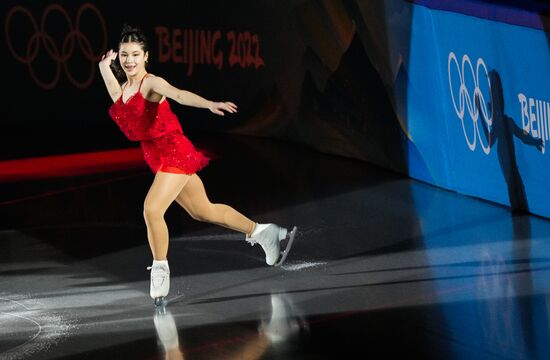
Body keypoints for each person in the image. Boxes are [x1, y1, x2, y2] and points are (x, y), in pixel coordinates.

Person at [98, 25, 296, 306]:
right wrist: (105, 68)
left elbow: (178, 94)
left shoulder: (151, 83)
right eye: (124, 55)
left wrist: (208, 104)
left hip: (174, 153)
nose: (129, 60)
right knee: (203, 211)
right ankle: (264, 232)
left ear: (146, 57)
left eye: (135, 55)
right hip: (158, 158)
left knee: (152, 209)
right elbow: (115, 94)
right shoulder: (125, 90)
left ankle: (160, 269)